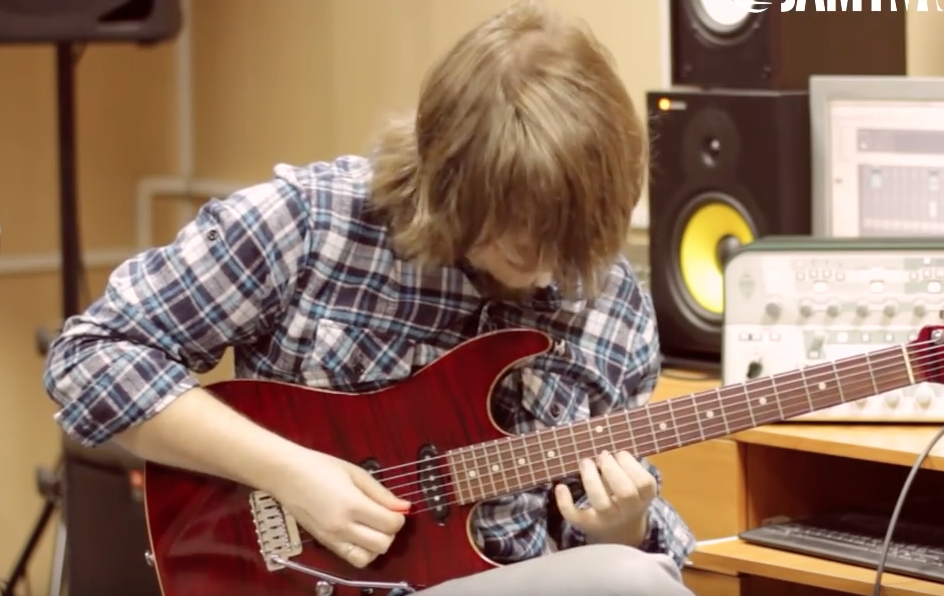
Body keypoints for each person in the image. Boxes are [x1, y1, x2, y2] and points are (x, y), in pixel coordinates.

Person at [42, 1, 697, 594]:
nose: (533, 256)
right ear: (446, 177)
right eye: (506, 220)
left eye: (559, 231)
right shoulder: (312, 224)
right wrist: (290, 472)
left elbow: (589, 544)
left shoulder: (612, 305)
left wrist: (623, 526)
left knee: (635, 576)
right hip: (301, 582)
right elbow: (89, 359)